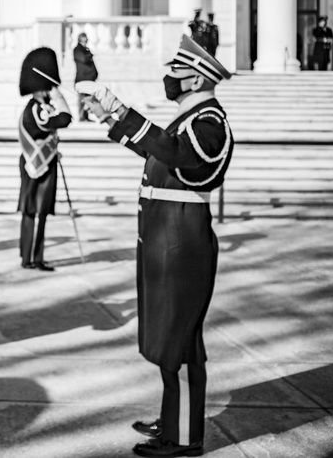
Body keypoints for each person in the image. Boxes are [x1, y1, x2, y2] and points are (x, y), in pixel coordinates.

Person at [78, 35, 234, 458]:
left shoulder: (210, 123)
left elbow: (174, 153)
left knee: (179, 340)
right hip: (168, 240)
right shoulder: (189, 120)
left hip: (182, 243)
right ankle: (173, 416)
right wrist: (107, 120)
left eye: (177, 71)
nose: (169, 77)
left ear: (198, 77)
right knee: (171, 335)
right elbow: (158, 154)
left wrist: (123, 110)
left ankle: (183, 438)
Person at [16, 48, 72, 272]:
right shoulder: (39, 109)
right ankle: (33, 258)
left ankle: (28, 255)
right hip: (38, 166)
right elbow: (65, 119)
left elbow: (45, 134)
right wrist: (61, 99)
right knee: (37, 211)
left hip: (37, 161)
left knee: (32, 211)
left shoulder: (37, 108)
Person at [73, 33, 99, 122]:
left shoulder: (86, 50)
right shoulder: (77, 50)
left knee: (88, 98)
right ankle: (81, 116)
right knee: (81, 99)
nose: (85, 42)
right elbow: (83, 59)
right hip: (82, 78)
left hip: (89, 78)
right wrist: (90, 54)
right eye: (83, 41)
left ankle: (85, 116)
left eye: (86, 40)